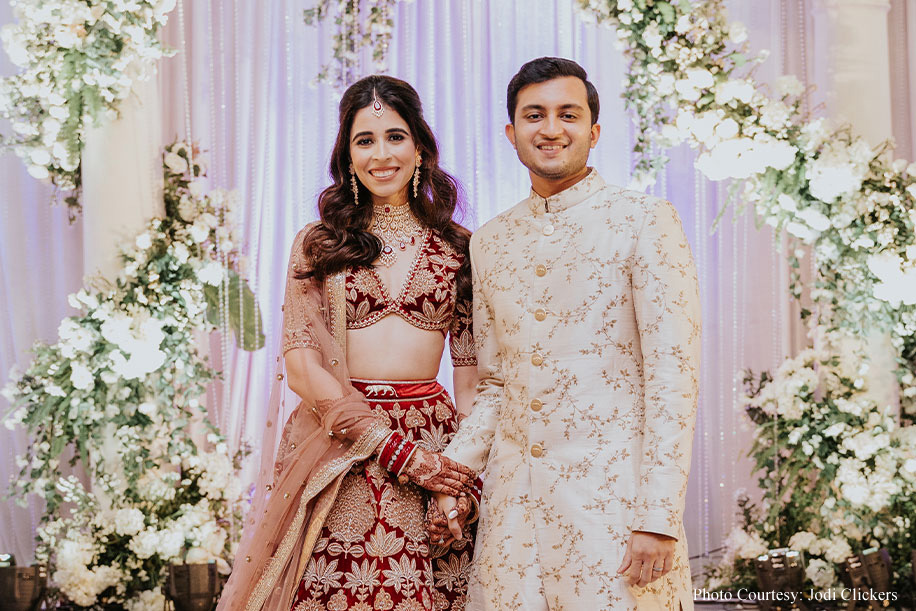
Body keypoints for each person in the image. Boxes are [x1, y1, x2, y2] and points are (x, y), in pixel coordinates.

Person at [429, 57, 700, 610]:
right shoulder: (491, 241)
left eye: (567, 114)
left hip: (613, 510)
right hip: (514, 516)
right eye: (534, 115)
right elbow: (497, 382)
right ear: (511, 132)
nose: (550, 129)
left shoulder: (645, 221)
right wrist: (453, 477)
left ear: (594, 131)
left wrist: (658, 517)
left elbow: (674, 379)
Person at [217, 75, 480, 611]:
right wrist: (393, 449)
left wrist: (459, 475)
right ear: (347, 153)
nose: (381, 154)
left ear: (420, 147)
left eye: (395, 136)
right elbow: (301, 364)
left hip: (435, 439)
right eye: (365, 140)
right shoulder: (320, 244)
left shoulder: (460, 247)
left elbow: (472, 378)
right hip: (340, 440)